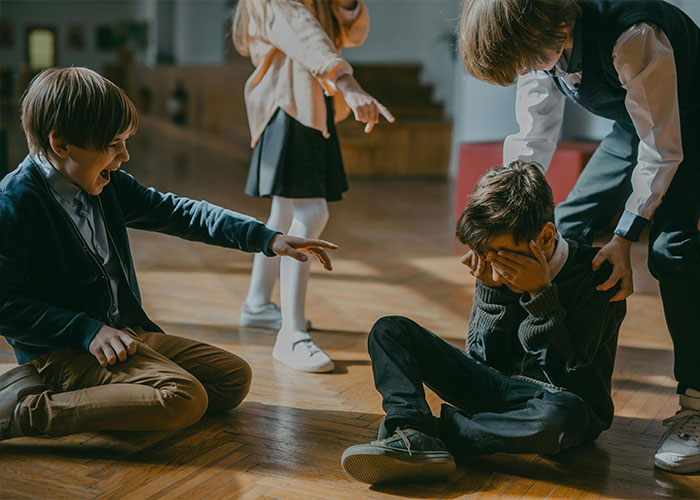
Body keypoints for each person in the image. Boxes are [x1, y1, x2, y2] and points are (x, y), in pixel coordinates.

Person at [0, 67, 337, 441]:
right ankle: (24, 411)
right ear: (61, 144)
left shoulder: (104, 183)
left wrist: (266, 238)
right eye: (113, 145)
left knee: (231, 379)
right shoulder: (15, 201)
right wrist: (86, 330)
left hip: (125, 335)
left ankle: (119, 391)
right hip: (60, 355)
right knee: (184, 397)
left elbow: (178, 212)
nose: (125, 156)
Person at [458, 0, 700, 474]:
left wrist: (626, 236)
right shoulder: (536, 45)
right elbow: (533, 135)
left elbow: (664, 150)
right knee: (561, 230)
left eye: (529, 62)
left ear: (556, 28)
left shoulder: (633, 36)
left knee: (674, 254)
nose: (530, 70)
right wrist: (504, 214)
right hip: (637, 127)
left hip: (689, 121)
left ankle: (696, 402)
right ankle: (551, 375)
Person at [341, 161, 626, 485]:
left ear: (545, 236)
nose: (496, 266)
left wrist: (540, 293)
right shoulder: (494, 260)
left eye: (505, 256)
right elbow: (482, 362)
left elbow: (565, 377)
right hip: (496, 389)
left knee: (566, 415)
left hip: (556, 403)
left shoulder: (599, 277)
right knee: (389, 330)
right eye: (485, 255)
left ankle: (433, 435)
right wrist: (492, 292)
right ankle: (409, 426)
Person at [232, 0, 394, 373]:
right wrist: (347, 84)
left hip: (311, 101)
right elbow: (301, 30)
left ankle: (257, 305)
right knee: (311, 212)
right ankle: (290, 334)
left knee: (285, 211)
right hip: (292, 103)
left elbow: (350, 33)